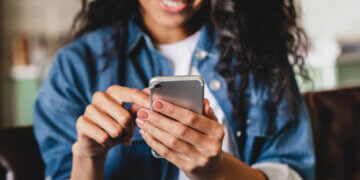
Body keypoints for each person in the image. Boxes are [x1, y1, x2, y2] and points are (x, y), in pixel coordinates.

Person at [33, 0, 315, 179]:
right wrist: (87, 156)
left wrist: (215, 171)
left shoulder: (259, 50)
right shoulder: (76, 66)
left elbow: (292, 170)